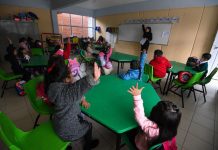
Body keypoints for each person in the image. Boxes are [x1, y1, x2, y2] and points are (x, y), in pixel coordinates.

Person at [44, 55, 101, 150]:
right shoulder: (66, 91)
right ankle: (88, 146)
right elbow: (76, 89)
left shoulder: (51, 86)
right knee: (88, 126)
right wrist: (94, 78)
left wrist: (81, 98)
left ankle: (67, 147)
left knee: (78, 119)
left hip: (58, 124)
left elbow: (73, 91)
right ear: (65, 76)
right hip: (67, 130)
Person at [128, 83, 181, 150]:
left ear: (156, 115)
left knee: (128, 132)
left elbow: (140, 117)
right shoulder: (171, 129)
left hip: (141, 146)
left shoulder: (152, 130)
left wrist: (137, 96)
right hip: (154, 142)